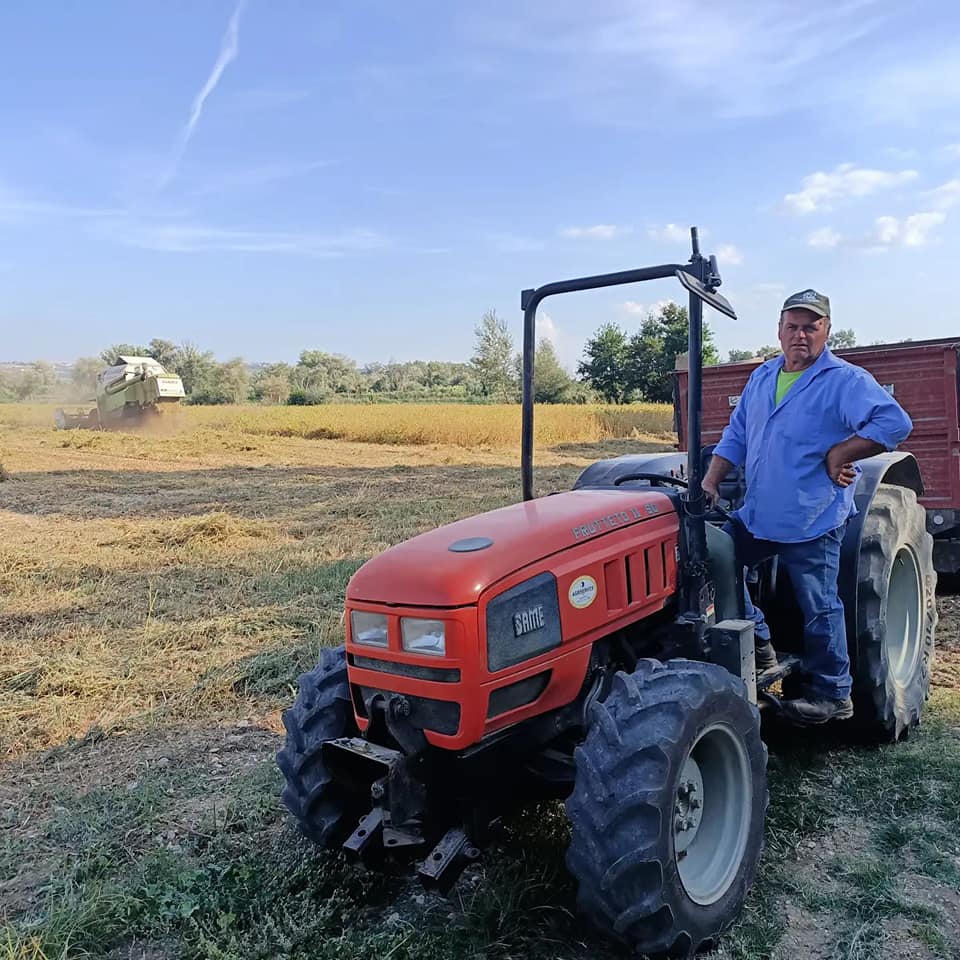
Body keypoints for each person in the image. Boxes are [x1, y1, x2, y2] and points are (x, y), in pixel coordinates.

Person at [701, 289, 912, 724]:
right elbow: (736, 434)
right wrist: (710, 479)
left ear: (826, 331)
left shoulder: (844, 380)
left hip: (812, 516)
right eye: (793, 326)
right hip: (759, 513)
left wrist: (841, 453)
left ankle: (834, 692)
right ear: (779, 330)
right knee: (717, 558)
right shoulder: (762, 378)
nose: (801, 335)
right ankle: (759, 644)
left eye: (811, 327)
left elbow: (895, 422)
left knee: (819, 606)